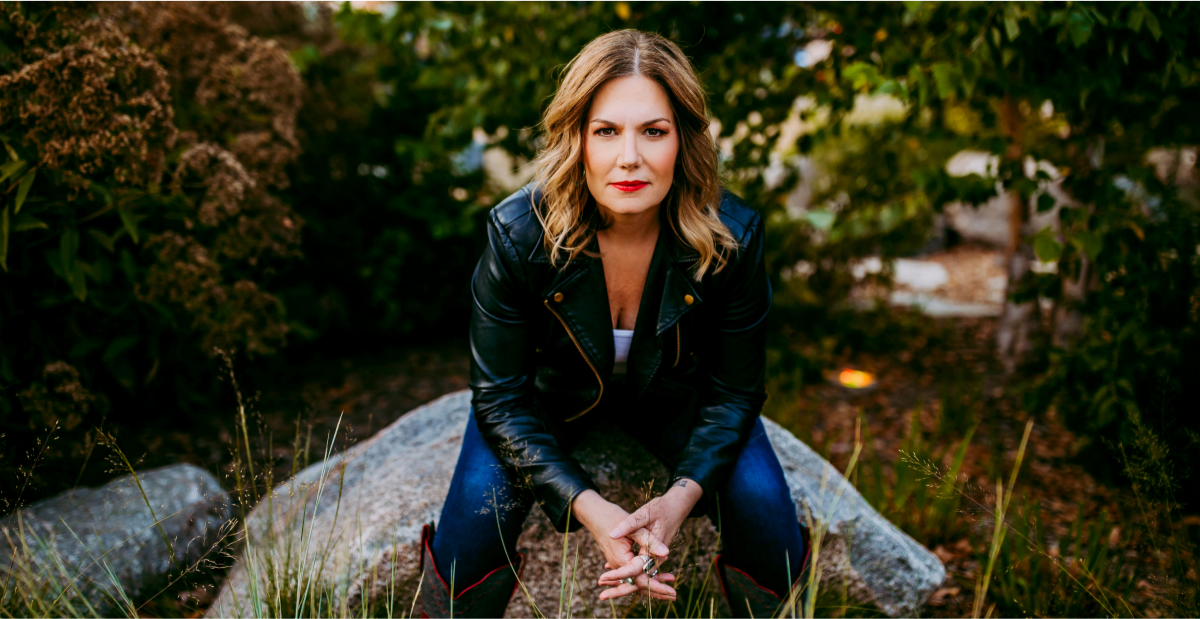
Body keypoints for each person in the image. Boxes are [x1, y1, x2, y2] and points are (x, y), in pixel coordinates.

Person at [417, 29, 810, 619]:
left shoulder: (733, 238)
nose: (630, 157)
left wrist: (679, 500)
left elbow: (735, 393)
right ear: (578, 137)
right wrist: (587, 504)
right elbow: (499, 396)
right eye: (607, 131)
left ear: (683, 141)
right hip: (548, 402)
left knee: (767, 519)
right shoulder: (519, 234)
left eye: (654, 131)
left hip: (681, 403)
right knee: (474, 521)